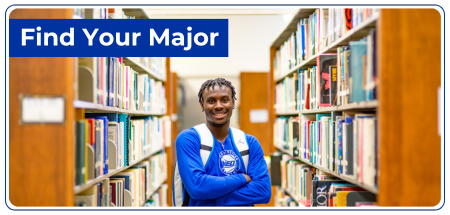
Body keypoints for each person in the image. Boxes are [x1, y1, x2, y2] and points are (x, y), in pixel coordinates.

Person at [173, 78, 271, 207]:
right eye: (211, 101)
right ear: (202, 105)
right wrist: (242, 178)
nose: (219, 106)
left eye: (224, 100)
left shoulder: (250, 143)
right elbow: (197, 187)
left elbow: (263, 191)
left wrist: (212, 198)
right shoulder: (189, 139)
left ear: (233, 103)